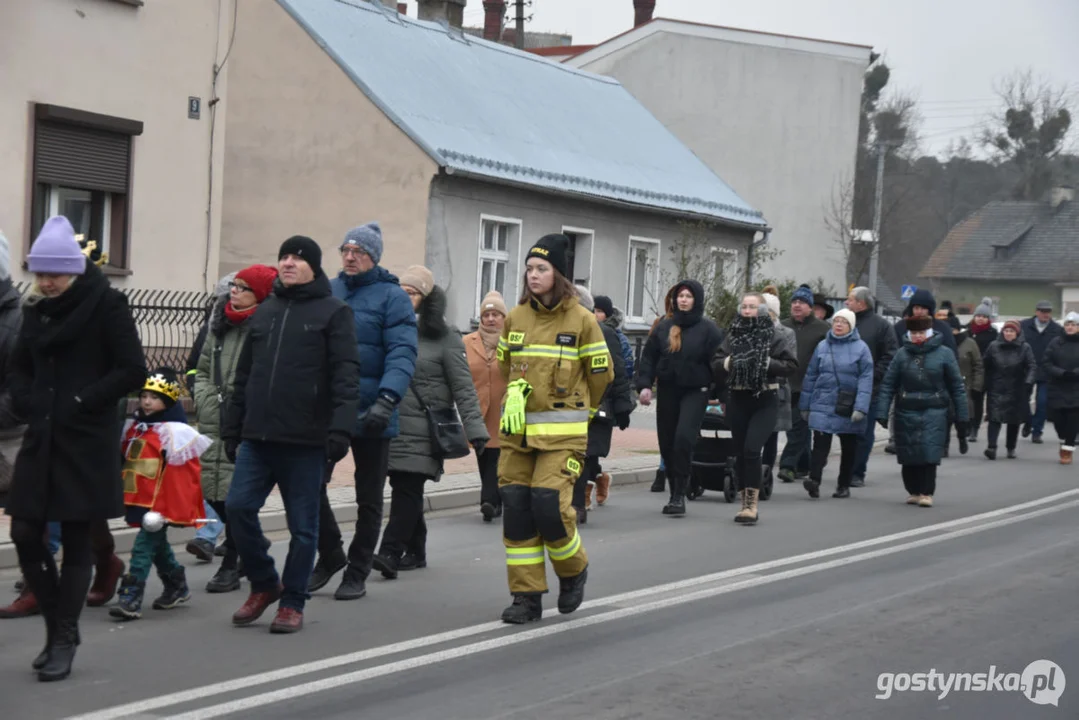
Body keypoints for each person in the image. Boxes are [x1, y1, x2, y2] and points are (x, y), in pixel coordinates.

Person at [6, 216, 146, 681]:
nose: (45, 282)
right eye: (40, 273)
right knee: (25, 532)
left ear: (75, 271)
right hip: (42, 437)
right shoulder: (35, 311)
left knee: (75, 538)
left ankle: (63, 636)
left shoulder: (108, 305)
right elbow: (19, 368)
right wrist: (26, 401)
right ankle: (55, 627)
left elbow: (131, 369)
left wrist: (84, 400)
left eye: (54, 274)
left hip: (86, 440)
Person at [223, 236, 361, 634]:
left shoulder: (334, 312)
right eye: (283, 257)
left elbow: (346, 376)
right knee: (237, 509)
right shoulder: (266, 311)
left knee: (304, 528)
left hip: (306, 440)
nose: (288, 263)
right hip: (258, 437)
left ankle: (293, 602)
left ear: (313, 267)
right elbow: (244, 375)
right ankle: (265, 583)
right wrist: (234, 427)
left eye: (297, 258)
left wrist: (340, 430)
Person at [495, 234, 611, 624]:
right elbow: (503, 366)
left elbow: (600, 375)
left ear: (559, 275)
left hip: (563, 436)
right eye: (529, 268)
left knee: (549, 505)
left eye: (541, 269)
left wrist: (584, 412)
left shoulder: (581, 320)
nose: (533, 275)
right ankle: (526, 597)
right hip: (518, 436)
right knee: (516, 510)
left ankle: (573, 571)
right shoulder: (516, 317)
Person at [309, 222, 418, 601]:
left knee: (368, 497)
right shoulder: (330, 290)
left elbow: (402, 352)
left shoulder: (393, 297)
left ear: (374, 258)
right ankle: (331, 553)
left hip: (375, 410)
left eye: (359, 251)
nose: (350, 257)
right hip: (332, 411)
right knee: (309, 485)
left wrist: (387, 400)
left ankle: (357, 569)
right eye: (346, 250)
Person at [373, 266, 488, 577]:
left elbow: (463, 387)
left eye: (411, 293)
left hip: (425, 429)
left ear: (426, 299)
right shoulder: (388, 328)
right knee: (402, 486)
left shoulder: (444, 337)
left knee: (407, 487)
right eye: (401, 291)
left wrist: (476, 430)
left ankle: (389, 552)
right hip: (390, 425)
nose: (404, 297)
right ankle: (417, 550)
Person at [193, 264, 278, 592]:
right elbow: (200, 369)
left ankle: (231, 565)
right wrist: (203, 398)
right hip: (213, 417)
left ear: (259, 293)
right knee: (210, 492)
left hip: (246, 421)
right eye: (234, 286)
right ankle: (252, 543)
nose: (234, 291)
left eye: (243, 287)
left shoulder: (265, 327)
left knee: (235, 496)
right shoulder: (219, 324)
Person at [111, 369, 210, 620]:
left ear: (167, 401)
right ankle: (177, 585)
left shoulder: (175, 433)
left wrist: (168, 507)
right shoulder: (134, 428)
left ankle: (131, 595)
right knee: (158, 546)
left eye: (154, 397)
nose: (146, 401)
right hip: (138, 499)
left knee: (143, 547)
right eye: (144, 395)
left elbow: (181, 475)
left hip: (159, 505)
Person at [636, 280, 723, 516]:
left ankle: (678, 496)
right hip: (668, 390)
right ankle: (677, 486)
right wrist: (644, 385)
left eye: (688, 296)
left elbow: (719, 362)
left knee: (683, 438)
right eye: (680, 296)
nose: (683, 300)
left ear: (697, 300)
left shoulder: (709, 330)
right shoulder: (664, 327)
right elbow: (648, 358)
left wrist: (720, 394)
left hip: (696, 391)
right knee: (667, 443)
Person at [712, 293, 798, 524]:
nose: (747, 310)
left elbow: (790, 366)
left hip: (765, 398)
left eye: (752, 306)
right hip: (739, 398)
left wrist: (766, 362)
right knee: (739, 452)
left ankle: (752, 505)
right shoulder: (734, 335)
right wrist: (730, 363)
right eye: (744, 306)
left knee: (752, 449)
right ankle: (744, 501)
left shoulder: (776, 335)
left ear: (762, 310)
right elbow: (717, 363)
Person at [876, 315, 968, 507]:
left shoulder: (944, 354)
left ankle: (926, 492)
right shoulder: (901, 354)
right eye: (914, 333)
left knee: (929, 451)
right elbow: (888, 385)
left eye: (921, 333)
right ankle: (913, 490)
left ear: (928, 333)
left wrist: (962, 414)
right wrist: (882, 411)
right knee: (908, 452)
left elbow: (957, 387)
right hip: (905, 408)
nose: (917, 336)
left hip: (934, 409)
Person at [184, 271, 236, 563]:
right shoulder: (212, 327)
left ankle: (238, 536)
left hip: (237, 421)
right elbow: (194, 367)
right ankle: (208, 537)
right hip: (211, 418)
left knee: (229, 483)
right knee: (207, 483)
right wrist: (200, 394)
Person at [572, 286, 633, 523]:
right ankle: (584, 494)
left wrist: (622, 405)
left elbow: (616, 369)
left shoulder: (605, 333)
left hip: (600, 403)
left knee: (588, 453)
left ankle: (579, 503)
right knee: (577, 454)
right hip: (569, 407)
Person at [799, 309, 873, 499]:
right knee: (820, 444)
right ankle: (814, 480)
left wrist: (861, 407)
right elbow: (811, 375)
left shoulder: (861, 348)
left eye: (843, 322)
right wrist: (805, 405)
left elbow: (866, 380)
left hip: (847, 403)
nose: (838, 325)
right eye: (836, 321)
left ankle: (843, 485)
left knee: (849, 446)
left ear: (851, 326)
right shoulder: (822, 346)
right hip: (822, 401)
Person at [845, 287, 898, 487]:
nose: (846, 303)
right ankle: (845, 469)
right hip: (845, 387)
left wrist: (872, 376)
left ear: (862, 303)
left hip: (871, 389)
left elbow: (890, 355)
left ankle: (857, 472)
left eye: (850, 299)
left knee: (863, 432)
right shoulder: (845, 322)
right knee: (845, 431)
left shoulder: (881, 326)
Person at [465, 291, 509, 523]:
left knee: (497, 455)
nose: (491, 319)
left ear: (504, 317)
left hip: (503, 409)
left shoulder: (513, 341)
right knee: (483, 453)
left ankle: (489, 500)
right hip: (477, 408)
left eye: (496, 314)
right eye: (487, 315)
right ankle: (496, 498)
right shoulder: (468, 342)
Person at [779, 284, 829, 483]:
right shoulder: (782, 326)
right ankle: (805, 464)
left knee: (797, 427)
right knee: (799, 428)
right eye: (794, 302)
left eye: (802, 302)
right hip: (785, 384)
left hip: (809, 387)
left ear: (810, 307)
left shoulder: (822, 329)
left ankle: (787, 465)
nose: (797, 305)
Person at [592, 294, 634, 506]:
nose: (595, 315)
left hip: (605, 400)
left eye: (599, 311)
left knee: (593, 449)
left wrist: (622, 404)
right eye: (593, 310)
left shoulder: (614, 336)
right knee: (583, 450)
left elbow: (623, 368)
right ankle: (598, 479)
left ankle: (586, 492)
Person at [982, 320, 1037, 460]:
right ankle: (991, 447)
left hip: (1016, 387)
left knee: (1014, 420)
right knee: (994, 417)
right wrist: (985, 381)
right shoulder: (993, 346)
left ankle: (1011, 447)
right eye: (1006, 330)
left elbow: (1031, 366)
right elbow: (985, 364)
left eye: (1011, 331)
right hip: (997, 387)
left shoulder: (1025, 347)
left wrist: (1028, 381)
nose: (1008, 333)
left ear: (1017, 333)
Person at [760, 292, 797, 483]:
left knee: (771, 434)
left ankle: (765, 473)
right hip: (753, 389)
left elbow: (788, 363)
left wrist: (765, 362)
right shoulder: (751, 330)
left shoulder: (787, 333)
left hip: (776, 388)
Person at [643, 285, 677, 494]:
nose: (678, 301)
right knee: (667, 434)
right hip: (666, 386)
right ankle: (662, 471)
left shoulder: (698, 325)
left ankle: (672, 472)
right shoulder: (661, 324)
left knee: (679, 436)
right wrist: (648, 382)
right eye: (674, 297)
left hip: (688, 387)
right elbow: (650, 354)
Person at [1019, 300, 1064, 444]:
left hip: (1046, 371)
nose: (1046, 314)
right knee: (1022, 401)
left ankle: (1037, 431)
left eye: (1048, 312)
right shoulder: (1024, 326)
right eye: (1043, 311)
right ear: (1036, 311)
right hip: (1026, 369)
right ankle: (1027, 421)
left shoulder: (1056, 329)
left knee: (1042, 403)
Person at [1043, 312, 1079, 464]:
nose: (1070, 327)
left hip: (1076, 387)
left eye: (1073, 325)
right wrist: (1061, 373)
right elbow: (1046, 362)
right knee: (1058, 420)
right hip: (1058, 385)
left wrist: (1075, 373)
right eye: (1067, 324)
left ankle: (1067, 450)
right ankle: (1064, 439)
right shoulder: (1055, 342)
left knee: (1073, 419)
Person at [948, 317, 982, 456]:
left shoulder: (970, 343)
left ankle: (962, 438)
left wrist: (977, 385)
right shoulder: (942, 343)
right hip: (945, 386)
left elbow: (978, 365)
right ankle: (944, 447)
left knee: (961, 418)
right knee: (945, 418)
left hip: (964, 386)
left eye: (952, 329)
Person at [966, 298, 998, 442]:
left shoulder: (993, 334)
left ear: (988, 319)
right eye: (978, 316)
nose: (980, 319)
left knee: (982, 400)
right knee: (971, 401)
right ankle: (970, 426)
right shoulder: (967, 331)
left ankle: (976, 428)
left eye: (984, 317)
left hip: (987, 372)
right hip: (969, 372)